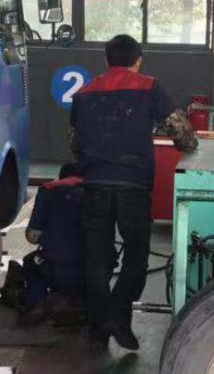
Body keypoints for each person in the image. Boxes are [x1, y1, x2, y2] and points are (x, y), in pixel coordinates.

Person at [70, 34, 197, 350]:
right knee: (136, 255)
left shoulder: (84, 92)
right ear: (138, 61)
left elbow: (74, 141)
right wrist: (189, 145)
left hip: (95, 183)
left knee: (96, 257)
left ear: (107, 60)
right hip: (133, 185)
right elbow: (180, 130)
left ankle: (99, 325)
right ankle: (119, 315)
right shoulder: (149, 86)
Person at [18, 162, 87, 326]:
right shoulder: (97, 192)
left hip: (53, 268)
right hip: (87, 272)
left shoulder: (48, 190)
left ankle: (36, 304)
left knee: (30, 262)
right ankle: (84, 305)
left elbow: (32, 236)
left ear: (61, 176)